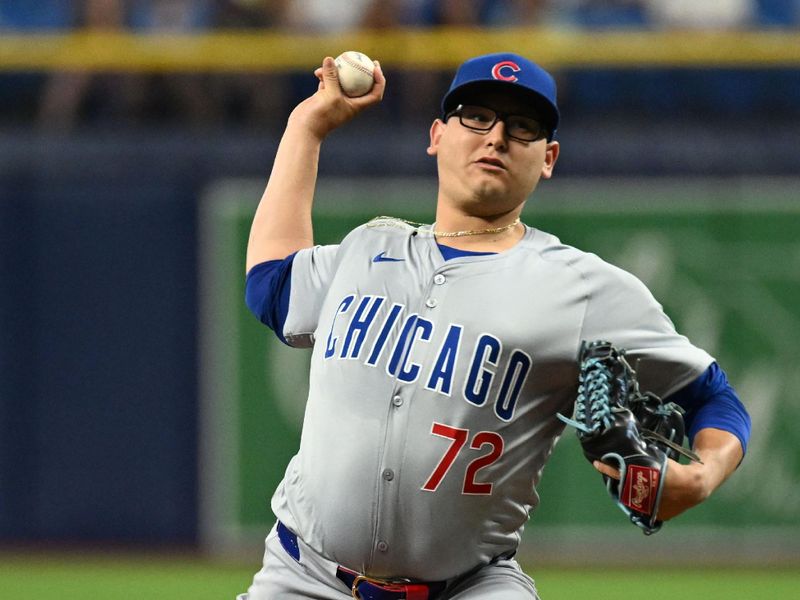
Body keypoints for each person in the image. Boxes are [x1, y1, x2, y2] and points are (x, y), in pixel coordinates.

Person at [240, 52, 751, 599]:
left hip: (472, 586)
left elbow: (715, 399)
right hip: (305, 577)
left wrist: (696, 480)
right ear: (437, 135)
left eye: (522, 126)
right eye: (477, 116)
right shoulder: (369, 249)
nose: (497, 136)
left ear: (548, 157)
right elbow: (270, 284)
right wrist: (306, 125)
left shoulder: (581, 288)